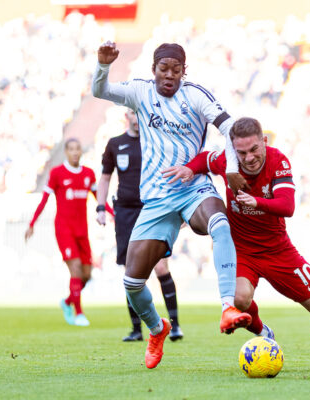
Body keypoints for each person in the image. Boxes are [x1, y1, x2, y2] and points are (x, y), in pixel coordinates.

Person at [92, 41, 252, 369]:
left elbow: (229, 128)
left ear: (184, 71)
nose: (169, 75)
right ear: (153, 71)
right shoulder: (140, 92)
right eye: (163, 69)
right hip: (155, 199)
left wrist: (232, 169)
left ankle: (227, 307)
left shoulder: (195, 95)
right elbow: (100, 90)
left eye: (175, 70)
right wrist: (103, 65)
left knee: (220, 224)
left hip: (194, 188)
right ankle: (157, 328)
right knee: (133, 282)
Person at [163, 117, 310, 370]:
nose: (248, 158)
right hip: (242, 250)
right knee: (239, 300)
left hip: (278, 251)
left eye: (254, 149)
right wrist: (191, 169)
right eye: (241, 152)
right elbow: (205, 160)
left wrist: (257, 202)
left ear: (264, 142)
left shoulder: (278, 161)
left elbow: (287, 206)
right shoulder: (227, 160)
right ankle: (263, 332)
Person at [96, 108, 184, 342]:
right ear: (126, 116)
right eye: (132, 113)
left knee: (161, 268)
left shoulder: (155, 141)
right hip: (125, 212)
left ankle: (174, 325)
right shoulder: (115, 144)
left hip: (152, 208)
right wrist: (100, 207)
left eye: (139, 113)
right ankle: (137, 329)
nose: (136, 117)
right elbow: (105, 177)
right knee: (130, 270)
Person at [25, 138, 99, 327]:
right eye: (71, 149)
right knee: (75, 270)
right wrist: (32, 223)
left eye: (78, 149)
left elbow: (99, 198)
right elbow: (44, 199)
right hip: (64, 230)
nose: (75, 152)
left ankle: (67, 302)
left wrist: (112, 214)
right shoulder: (57, 173)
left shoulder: (88, 174)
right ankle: (79, 313)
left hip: (82, 230)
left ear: (81, 151)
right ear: (66, 152)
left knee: (86, 275)